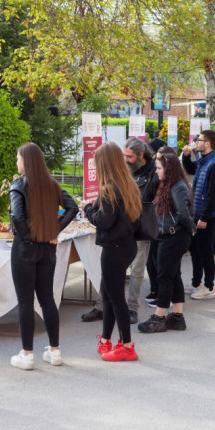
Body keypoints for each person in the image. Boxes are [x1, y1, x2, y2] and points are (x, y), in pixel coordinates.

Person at [8, 143, 79, 370]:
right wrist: (53, 231)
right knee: (47, 298)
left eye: (18, 158)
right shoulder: (52, 184)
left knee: (25, 301)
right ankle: (54, 350)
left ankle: (27, 354)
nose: (17, 162)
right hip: (47, 249)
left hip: (25, 249)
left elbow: (17, 217)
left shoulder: (19, 185)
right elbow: (73, 208)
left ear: (26, 161)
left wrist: (28, 239)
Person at [82, 138, 158, 324]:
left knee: (136, 270)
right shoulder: (124, 175)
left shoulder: (153, 174)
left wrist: (92, 209)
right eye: (123, 155)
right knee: (110, 275)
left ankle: (132, 308)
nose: (126, 160)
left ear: (141, 156)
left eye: (129, 156)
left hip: (136, 228)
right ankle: (101, 307)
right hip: (123, 230)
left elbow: (109, 216)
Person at [84, 142, 142, 362]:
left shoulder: (109, 188)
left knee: (115, 298)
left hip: (114, 248)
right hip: (126, 245)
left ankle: (127, 345)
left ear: (104, 163)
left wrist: (88, 208)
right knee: (107, 296)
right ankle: (106, 341)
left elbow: (103, 221)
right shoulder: (127, 183)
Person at [137, 153, 193, 333]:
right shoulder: (169, 185)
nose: (157, 171)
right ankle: (177, 316)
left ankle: (159, 317)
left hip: (173, 237)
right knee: (173, 274)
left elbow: (183, 214)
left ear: (168, 170)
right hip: (168, 235)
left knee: (164, 276)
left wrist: (186, 228)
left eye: (160, 168)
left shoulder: (177, 186)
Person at [182, 130, 215, 300]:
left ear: (207, 143)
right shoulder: (205, 160)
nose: (196, 142)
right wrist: (186, 156)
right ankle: (196, 283)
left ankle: (209, 287)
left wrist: (204, 218)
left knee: (205, 251)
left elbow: (213, 195)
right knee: (195, 249)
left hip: (208, 215)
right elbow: (191, 168)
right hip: (200, 212)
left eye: (199, 140)